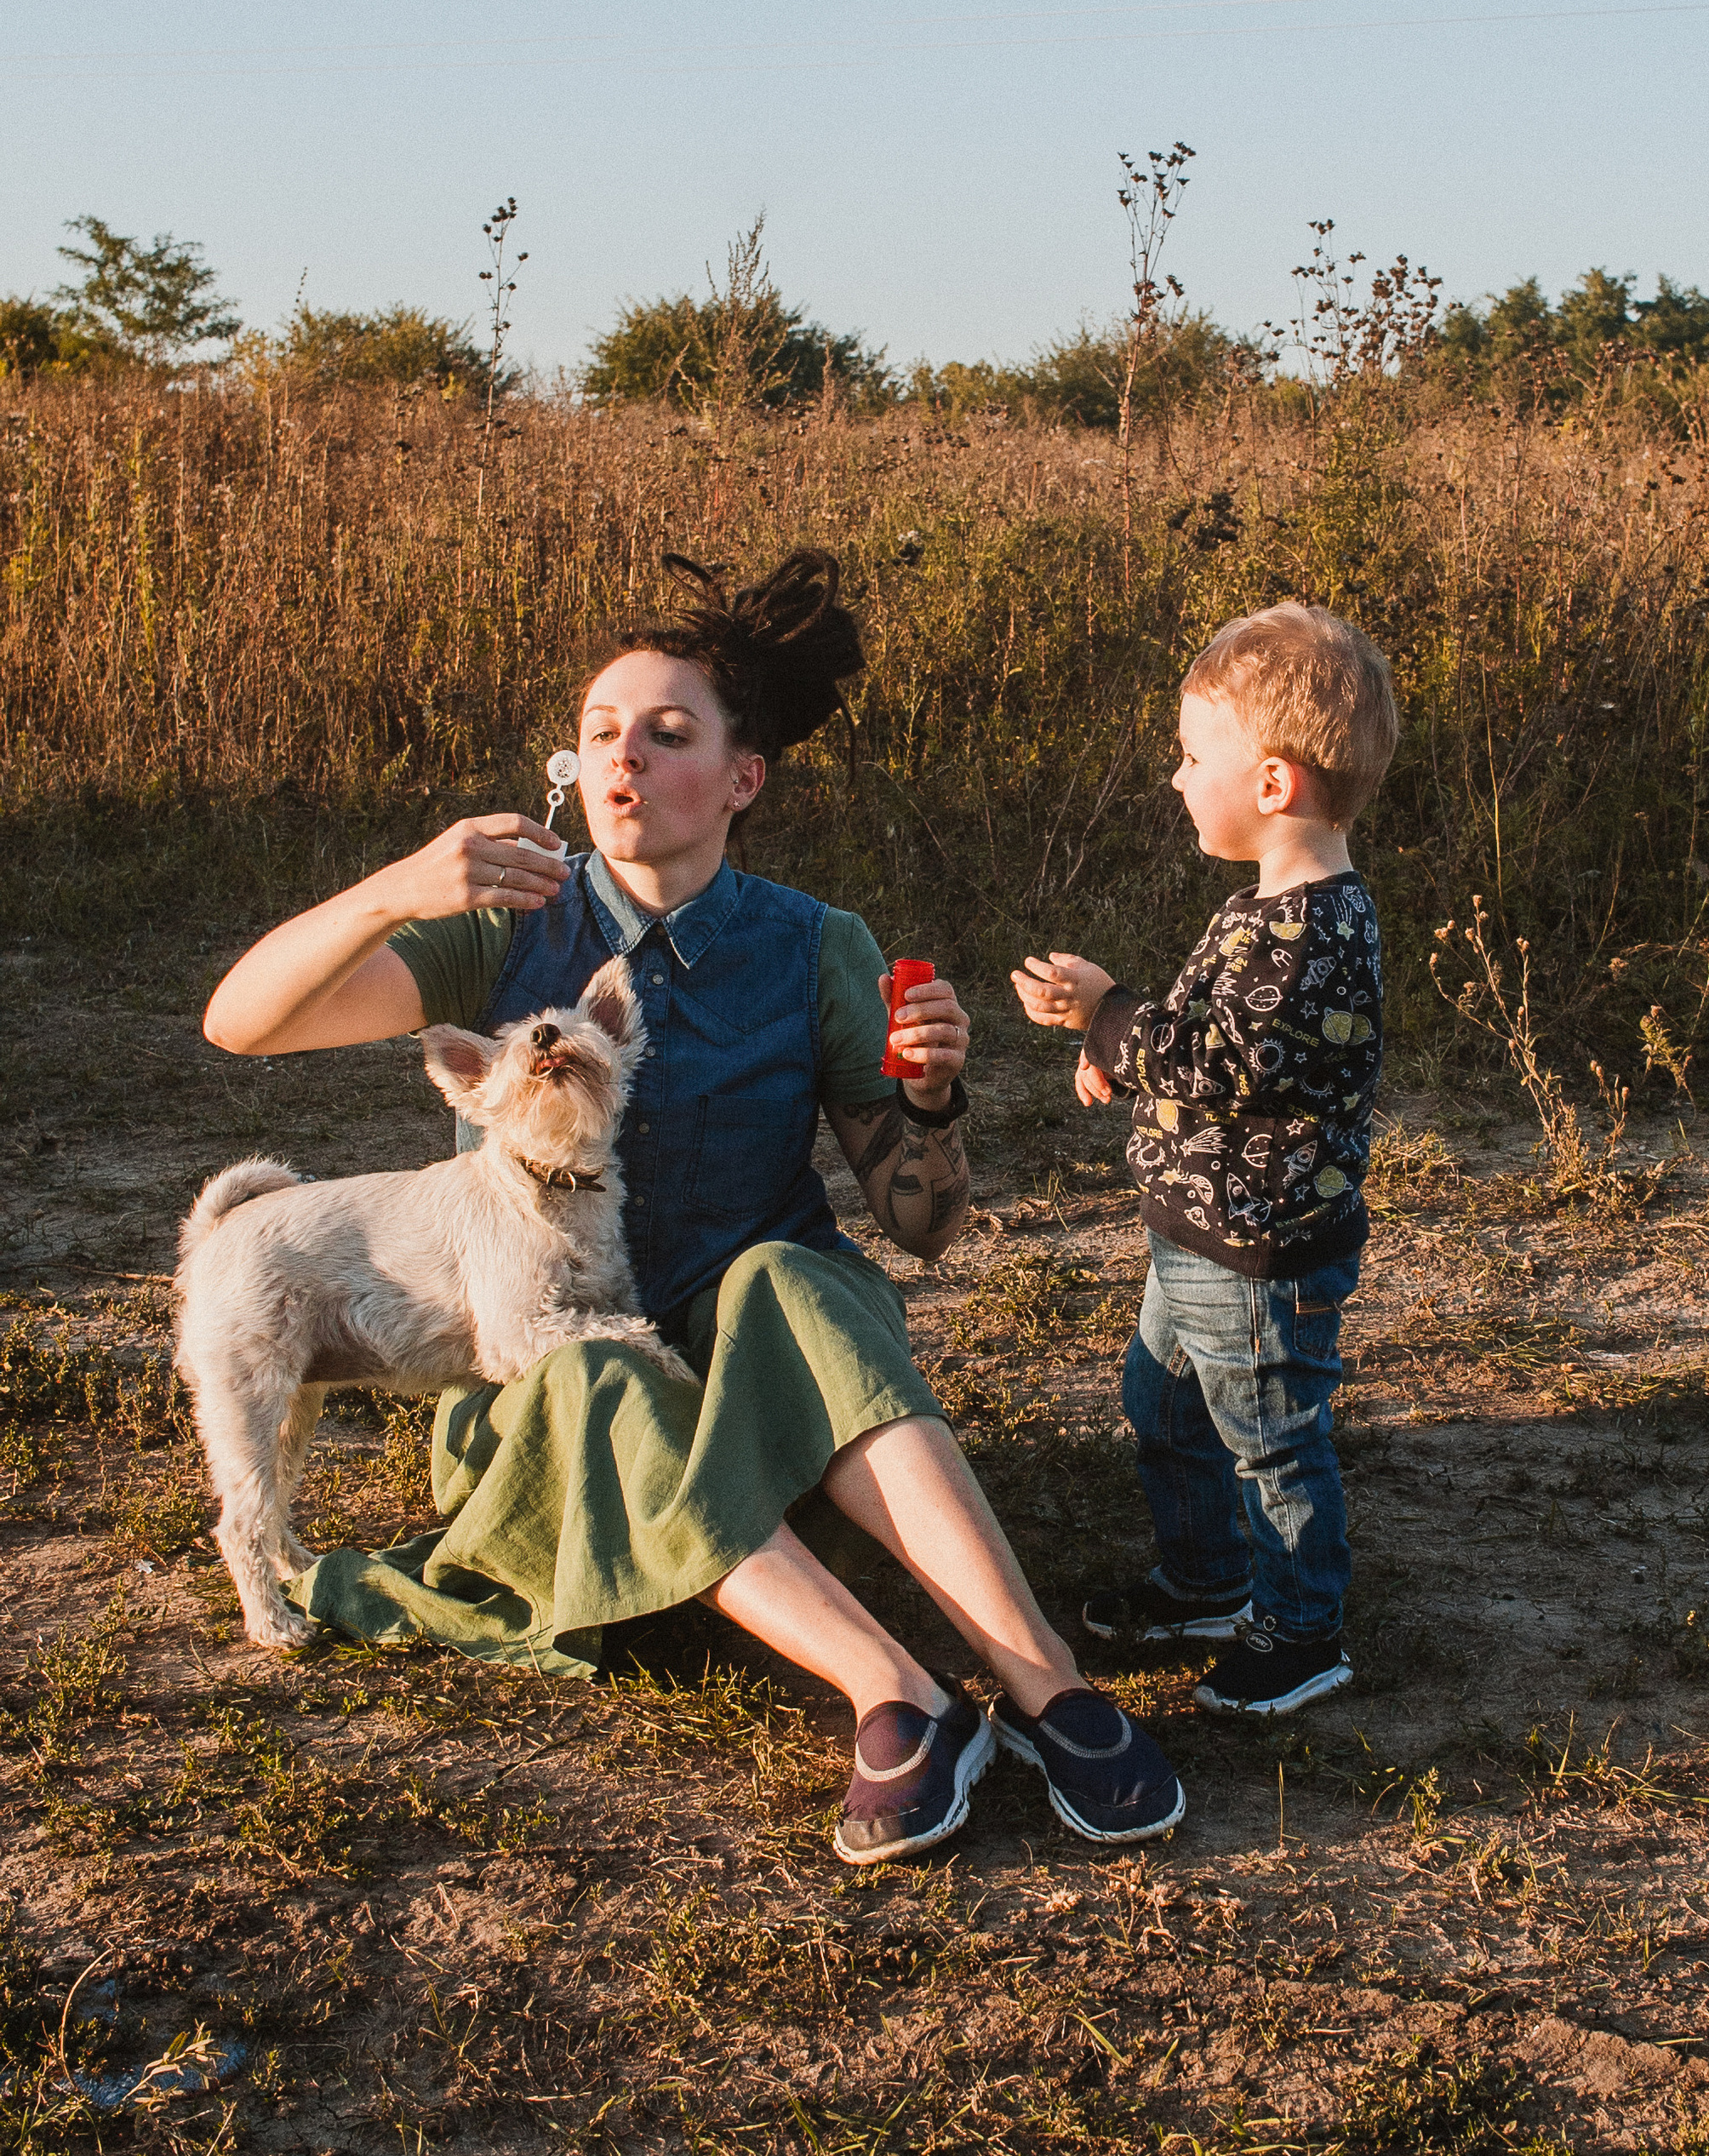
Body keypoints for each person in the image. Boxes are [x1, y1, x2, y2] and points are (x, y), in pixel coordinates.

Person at [201, 548, 1183, 1864]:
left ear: (741, 779)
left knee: (790, 1276)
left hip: (767, 1395)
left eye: (668, 736)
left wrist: (935, 1101)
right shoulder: (505, 927)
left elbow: (924, 1226)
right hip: (564, 1415)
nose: (625, 758)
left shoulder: (813, 945)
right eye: (602, 731)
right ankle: (897, 1696)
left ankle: (1047, 1683)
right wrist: (402, 890)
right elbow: (241, 1022)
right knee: (596, 1369)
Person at [1012, 601, 1397, 1718]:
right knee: (1169, 1409)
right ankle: (1207, 1581)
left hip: (1259, 1251)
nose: (1177, 778)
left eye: (1192, 758)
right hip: (1200, 1231)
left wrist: (1107, 1011)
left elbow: (1224, 1058)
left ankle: (1301, 1628)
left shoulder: (1312, 930)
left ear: (1272, 783)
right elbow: (1210, 1043)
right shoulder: (1265, 911)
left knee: (1271, 1441)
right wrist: (1117, 1053)